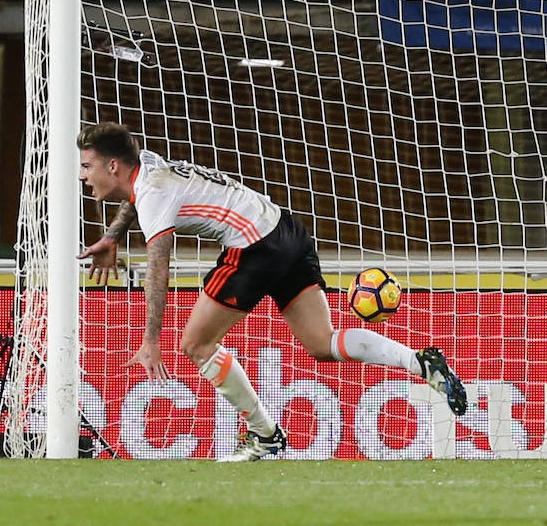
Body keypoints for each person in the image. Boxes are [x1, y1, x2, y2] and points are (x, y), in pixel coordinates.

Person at [77, 122, 467, 462]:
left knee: (196, 344)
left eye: (86, 166)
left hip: (253, 247)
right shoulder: (148, 165)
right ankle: (421, 363)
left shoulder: (154, 193)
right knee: (321, 342)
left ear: (113, 166)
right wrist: (112, 236)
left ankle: (265, 435)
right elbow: (132, 200)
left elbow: (157, 266)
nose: (82, 175)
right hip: (285, 230)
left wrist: (150, 339)